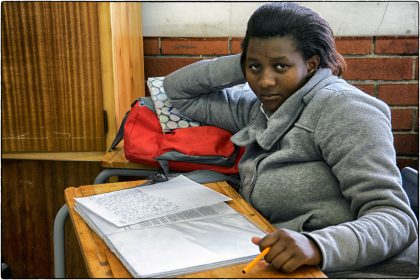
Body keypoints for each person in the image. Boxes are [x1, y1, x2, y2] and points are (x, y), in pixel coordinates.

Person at [163, 2, 418, 278]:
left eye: (281, 66)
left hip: (351, 268)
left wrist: (316, 246)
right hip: (272, 257)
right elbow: (178, 92)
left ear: (311, 64)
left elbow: (396, 220)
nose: (265, 81)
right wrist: (252, 60)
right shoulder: (259, 108)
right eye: (255, 67)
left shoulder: (345, 109)